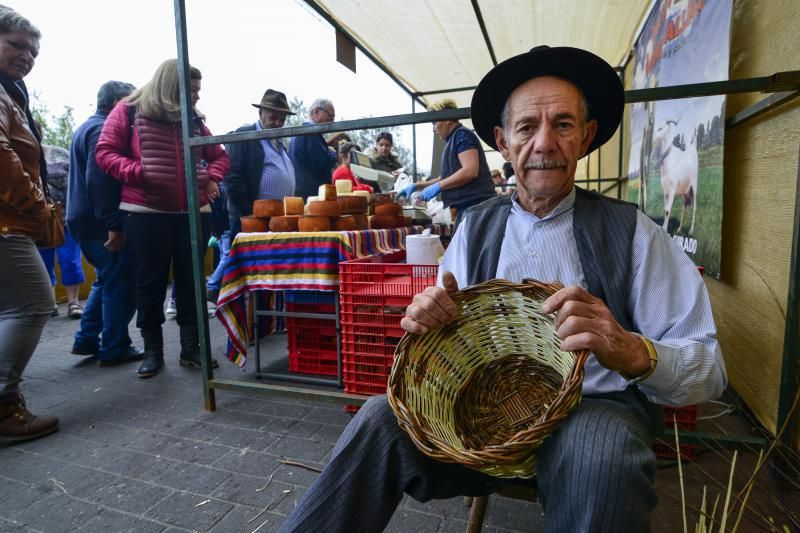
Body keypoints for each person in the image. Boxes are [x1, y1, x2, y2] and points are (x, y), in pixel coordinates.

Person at [278, 46, 727, 533]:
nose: (544, 144)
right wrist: (427, 318)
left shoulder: (631, 231)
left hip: (595, 410)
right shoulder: (476, 227)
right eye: (527, 127)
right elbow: (445, 338)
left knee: (601, 455)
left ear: (587, 136)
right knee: (377, 419)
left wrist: (632, 350)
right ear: (503, 141)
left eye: (562, 124)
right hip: (482, 417)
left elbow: (709, 368)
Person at [95, 59, 230, 378]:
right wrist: (139, 172)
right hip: (145, 214)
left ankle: (190, 348)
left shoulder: (194, 120)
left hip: (194, 214)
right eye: (192, 90)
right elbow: (105, 152)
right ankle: (153, 351)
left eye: (198, 91)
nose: (197, 97)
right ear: (173, 86)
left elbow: (220, 154)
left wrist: (211, 176)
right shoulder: (129, 111)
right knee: (149, 283)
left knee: (191, 283)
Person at [0, 4, 59, 442]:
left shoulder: (11, 93)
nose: (28, 57)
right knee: (35, 304)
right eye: (17, 45)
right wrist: (37, 205)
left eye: (34, 52)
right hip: (7, 221)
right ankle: (3, 408)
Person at [66, 80, 145, 366]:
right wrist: (114, 225)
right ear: (117, 105)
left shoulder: (87, 126)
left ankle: (87, 339)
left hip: (85, 221)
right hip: (101, 224)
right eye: (133, 104)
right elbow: (100, 182)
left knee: (106, 279)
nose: (138, 111)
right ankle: (115, 346)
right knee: (120, 283)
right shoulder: (102, 130)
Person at [206, 89, 296, 303]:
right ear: (261, 113)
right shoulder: (245, 135)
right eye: (273, 117)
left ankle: (264, 315)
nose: (278, 122)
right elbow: (232, 177)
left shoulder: (277, 141)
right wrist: (249, 213)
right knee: (242, 263)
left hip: (273, 219)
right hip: (251, 218)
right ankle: (217, 292)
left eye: (281, 118)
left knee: (264, 269)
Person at [397, 98, 495, 225]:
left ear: (448, 118)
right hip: (467, 207)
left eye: (434, 122)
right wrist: (417, 186)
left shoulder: (462, 135)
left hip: (477, 207)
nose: (433, 129)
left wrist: (438, 187)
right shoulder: (453, 139)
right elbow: (445, 178)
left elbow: (470, 170)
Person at [34, 124, 86, 319]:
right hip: (39, 221)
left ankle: (73, 302)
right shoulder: (20, 156)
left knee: (70, 260)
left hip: (65, 217)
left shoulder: (60, 153)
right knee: (42, 263)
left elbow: (77, 182)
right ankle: (50, 303)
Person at [288, 98, 349, 199]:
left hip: (302, 192)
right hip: (312, 196)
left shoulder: (301, 131)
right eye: (331, 116)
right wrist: (335, 152)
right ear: (316, 112)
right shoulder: (311, 132)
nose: (332, 121)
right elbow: (322, 163)